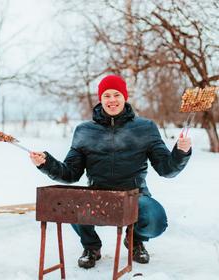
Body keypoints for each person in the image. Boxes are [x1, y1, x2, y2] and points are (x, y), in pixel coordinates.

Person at [30, 75, 191, 269]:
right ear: (101, 99)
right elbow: (70, 173)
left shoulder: (145, 128)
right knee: (71, 201)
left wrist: (181, 152)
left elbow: (167, 169)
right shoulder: (84, 131)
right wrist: (46, 163)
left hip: (134, 194)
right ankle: (91, 247)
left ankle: (135, 241)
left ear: (125, 97)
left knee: (156, 220)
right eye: (107, 95)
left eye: (117, 94)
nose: (112, 100)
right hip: (98, 193)